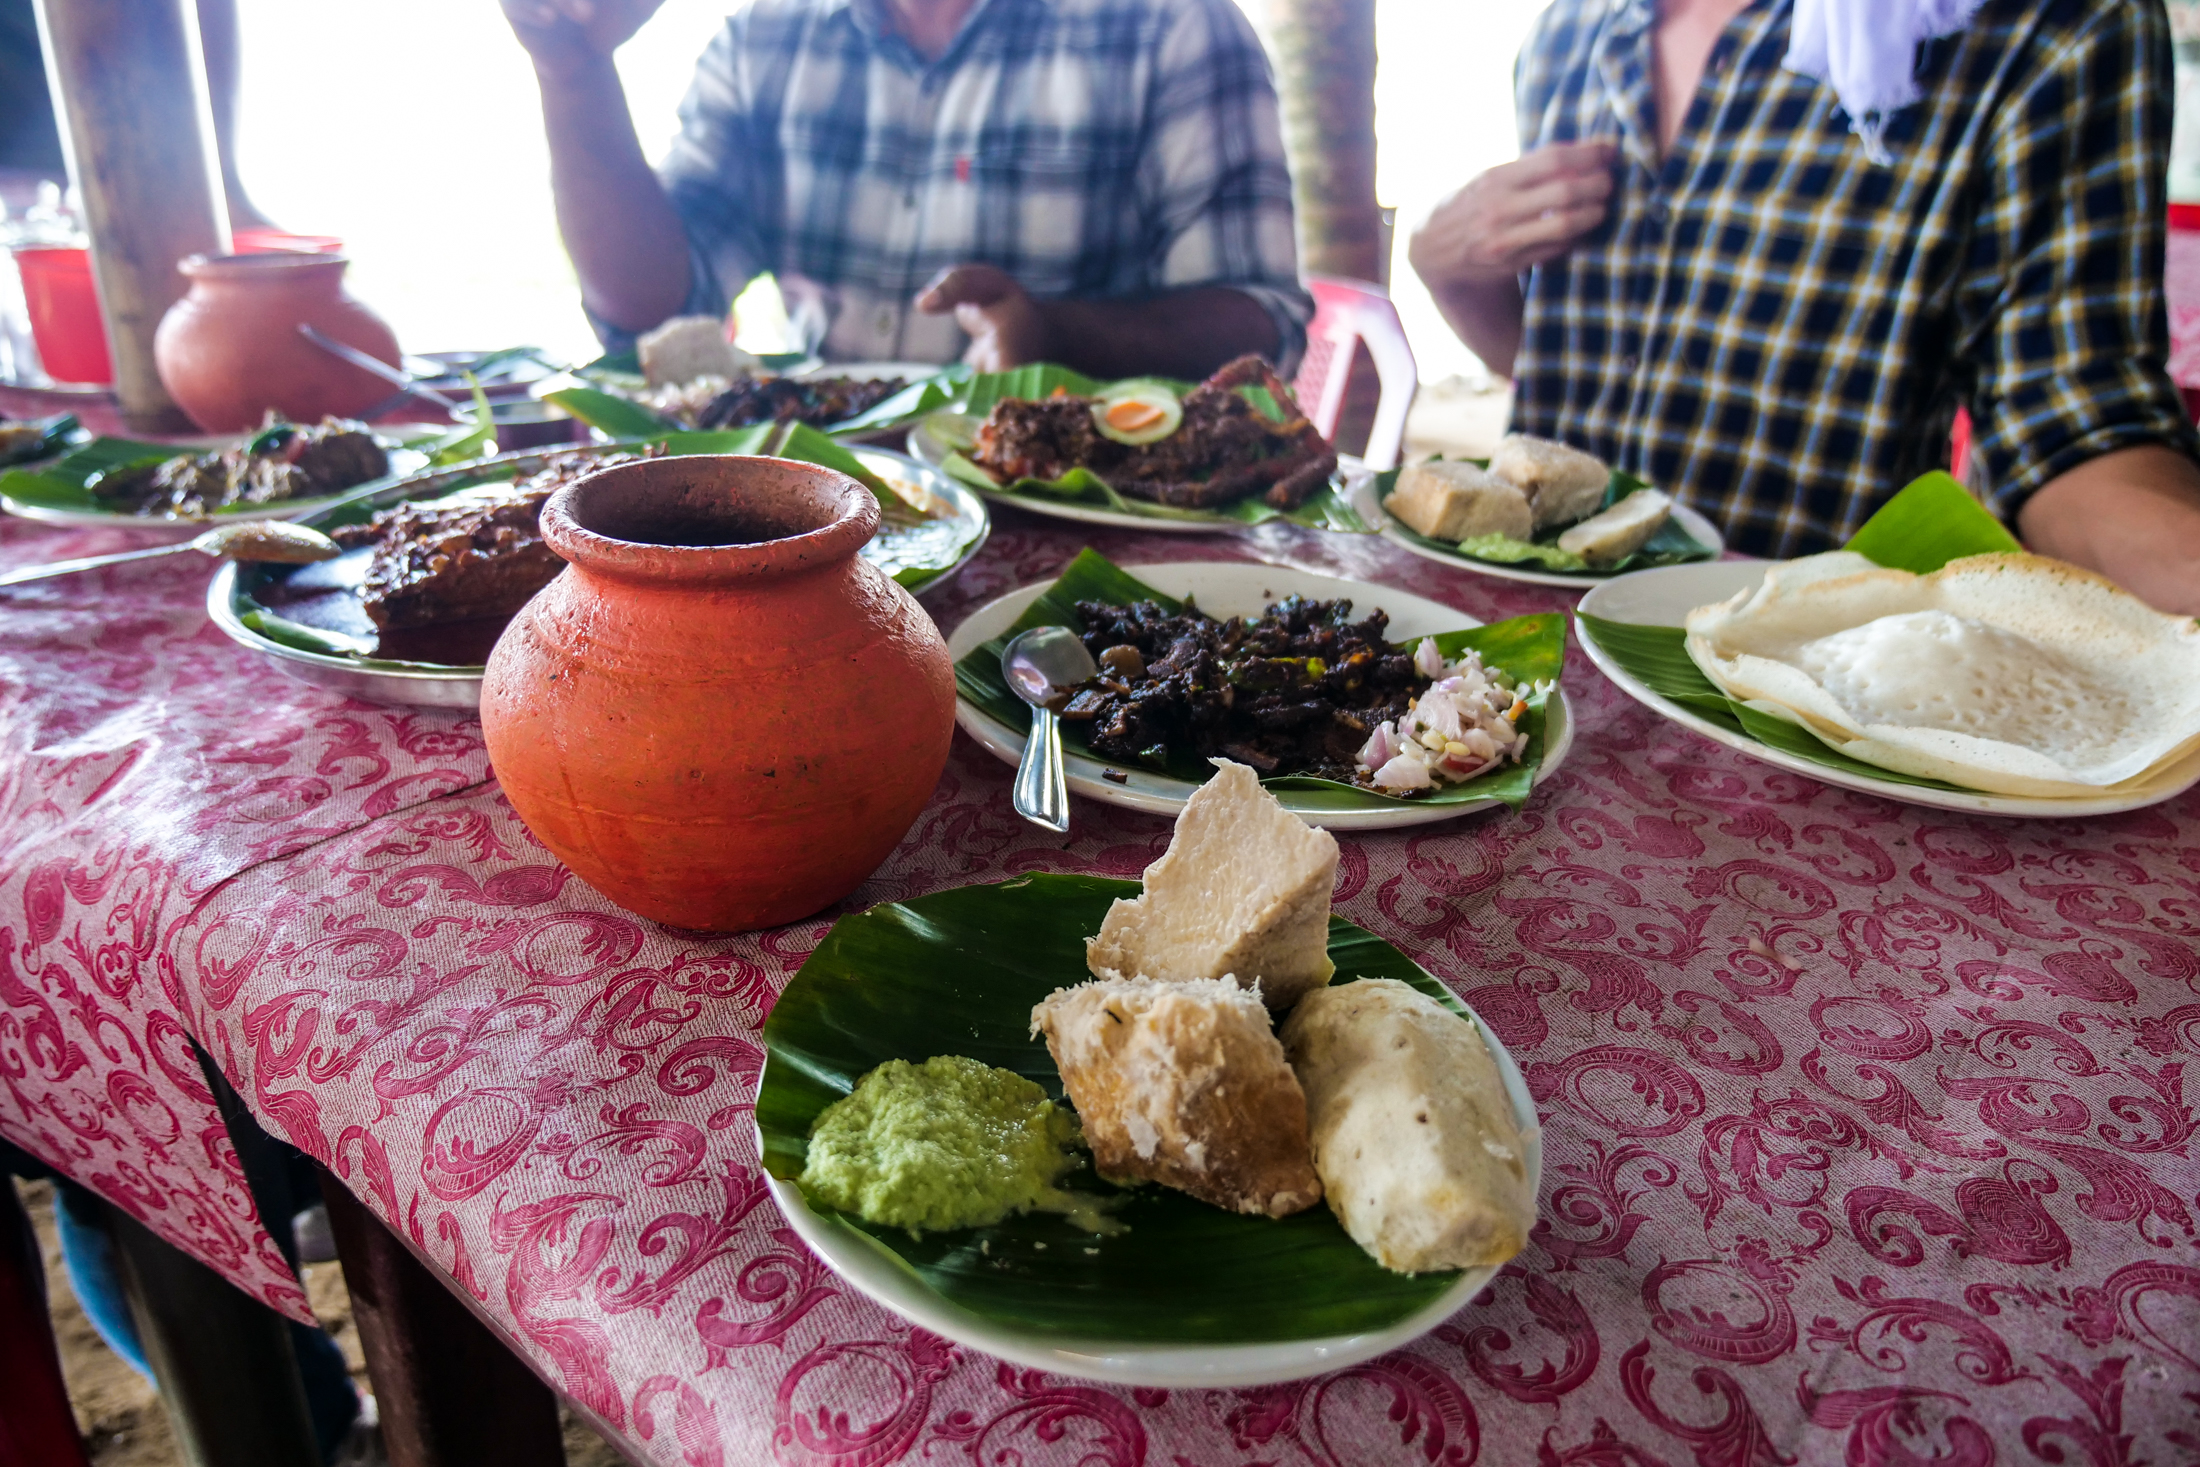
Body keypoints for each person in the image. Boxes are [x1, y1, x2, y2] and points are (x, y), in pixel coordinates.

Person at [1408, 0, 2200, 616]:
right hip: (1520, 680)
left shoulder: (2047, 26)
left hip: (1787, 707)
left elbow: (2069, 422)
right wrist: (1454, 282)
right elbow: (1579, 373)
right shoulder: (1570, 31)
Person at [496, 0, 1309, 377]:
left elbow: (1259, 323)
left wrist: (1058, 334)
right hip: (818, 522)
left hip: (1067, 535)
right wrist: (574, 73)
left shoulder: (1173, 24)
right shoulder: (762, 38)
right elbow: (654, 309)